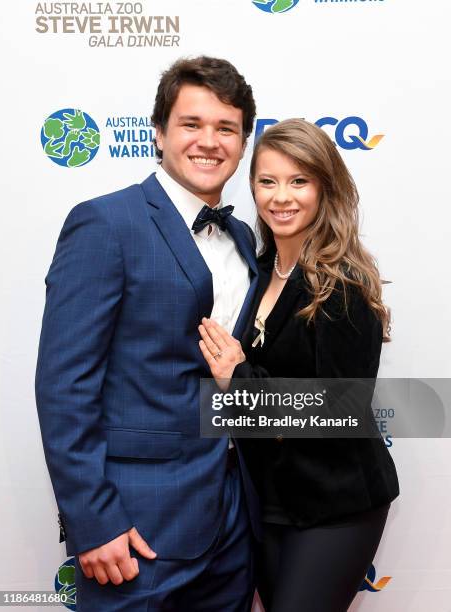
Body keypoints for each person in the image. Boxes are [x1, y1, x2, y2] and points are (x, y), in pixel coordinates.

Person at [35, 56, 261, 611]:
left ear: (243, 141)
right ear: (158, 133)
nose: (210, 142)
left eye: (226, 128)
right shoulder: (106, 224)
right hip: (136, 528)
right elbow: (65, 386)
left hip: (235, 522)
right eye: (192, 124)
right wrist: (92, 520)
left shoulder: (245, 238)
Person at [198, 118, 400, 612]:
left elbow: (339, 410)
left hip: (336, 505)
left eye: (298, 181)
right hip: (269, 502)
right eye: (267, 181)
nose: (281, 197)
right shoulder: (259, 271)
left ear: (323, 188)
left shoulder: (342, 282)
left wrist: (237, 379)